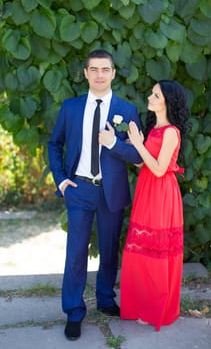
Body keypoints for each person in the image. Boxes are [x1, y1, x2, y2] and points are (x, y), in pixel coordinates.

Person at [48, 49, 142, 341]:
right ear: (86, 73)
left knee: (110, 250)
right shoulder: (71, 108)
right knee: (75, 254)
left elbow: (137, 155)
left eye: (105, 69)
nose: (100, 75)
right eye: (94, 69)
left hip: (111, 191)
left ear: (113, 73)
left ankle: (105, 298)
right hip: (79, 189)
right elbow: (55, 144)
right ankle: (74, 312)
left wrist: (114, 143)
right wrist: (62, 180)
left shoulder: (126, 111)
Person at [119, 80, 191, 331]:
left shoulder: (171, 131)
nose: (150, 97)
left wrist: (138, 145)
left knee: (156, 251)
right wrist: (125, 145)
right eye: (151, 93)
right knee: (141, 249)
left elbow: (160, 169)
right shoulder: (153, 130)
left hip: (161, 193)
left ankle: (157, 309)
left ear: (167, 102)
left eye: (155, 95)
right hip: (146, 189)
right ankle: (141, 305)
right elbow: (144, 164)